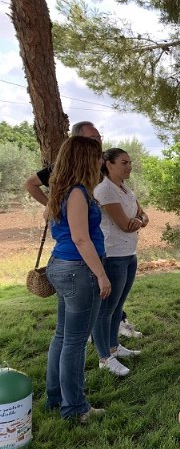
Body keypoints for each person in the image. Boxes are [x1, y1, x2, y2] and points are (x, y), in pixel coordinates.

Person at [24, 121, 142, 339]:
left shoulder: (95, 171)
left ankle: (112, 331)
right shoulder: (74, 184)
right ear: (78, 143)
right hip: (78, 260)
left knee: (69, 331)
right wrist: (53, 205)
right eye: (92, 139)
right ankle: (104, 348)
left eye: (99, 138)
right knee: (74, 336)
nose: (98, 143)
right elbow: (80, 238)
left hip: (82, 255)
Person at [45, 136, 111, 423]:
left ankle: (55, 397)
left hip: (62, 266)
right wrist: (101, 274)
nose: (100, 162)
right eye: (97, 157)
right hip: (78, 270)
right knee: (74, 341)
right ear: (86, 159)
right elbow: (81, 238)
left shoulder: (62, 191)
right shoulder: (77, 193)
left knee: (62, 336)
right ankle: (74, 408)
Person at [91, 148, 148, 376]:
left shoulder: (125, 189)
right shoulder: (104, 190)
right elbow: (125, 224)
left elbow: (144, 216)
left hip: (129, 253)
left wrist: (138, 219)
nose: (129, 166)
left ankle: (114, 346)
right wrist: (137, 220)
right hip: (113, 254)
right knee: (105, 309)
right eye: (124, 162)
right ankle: (104, 356)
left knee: (117, 306)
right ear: (108, 164)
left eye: (130, 162)